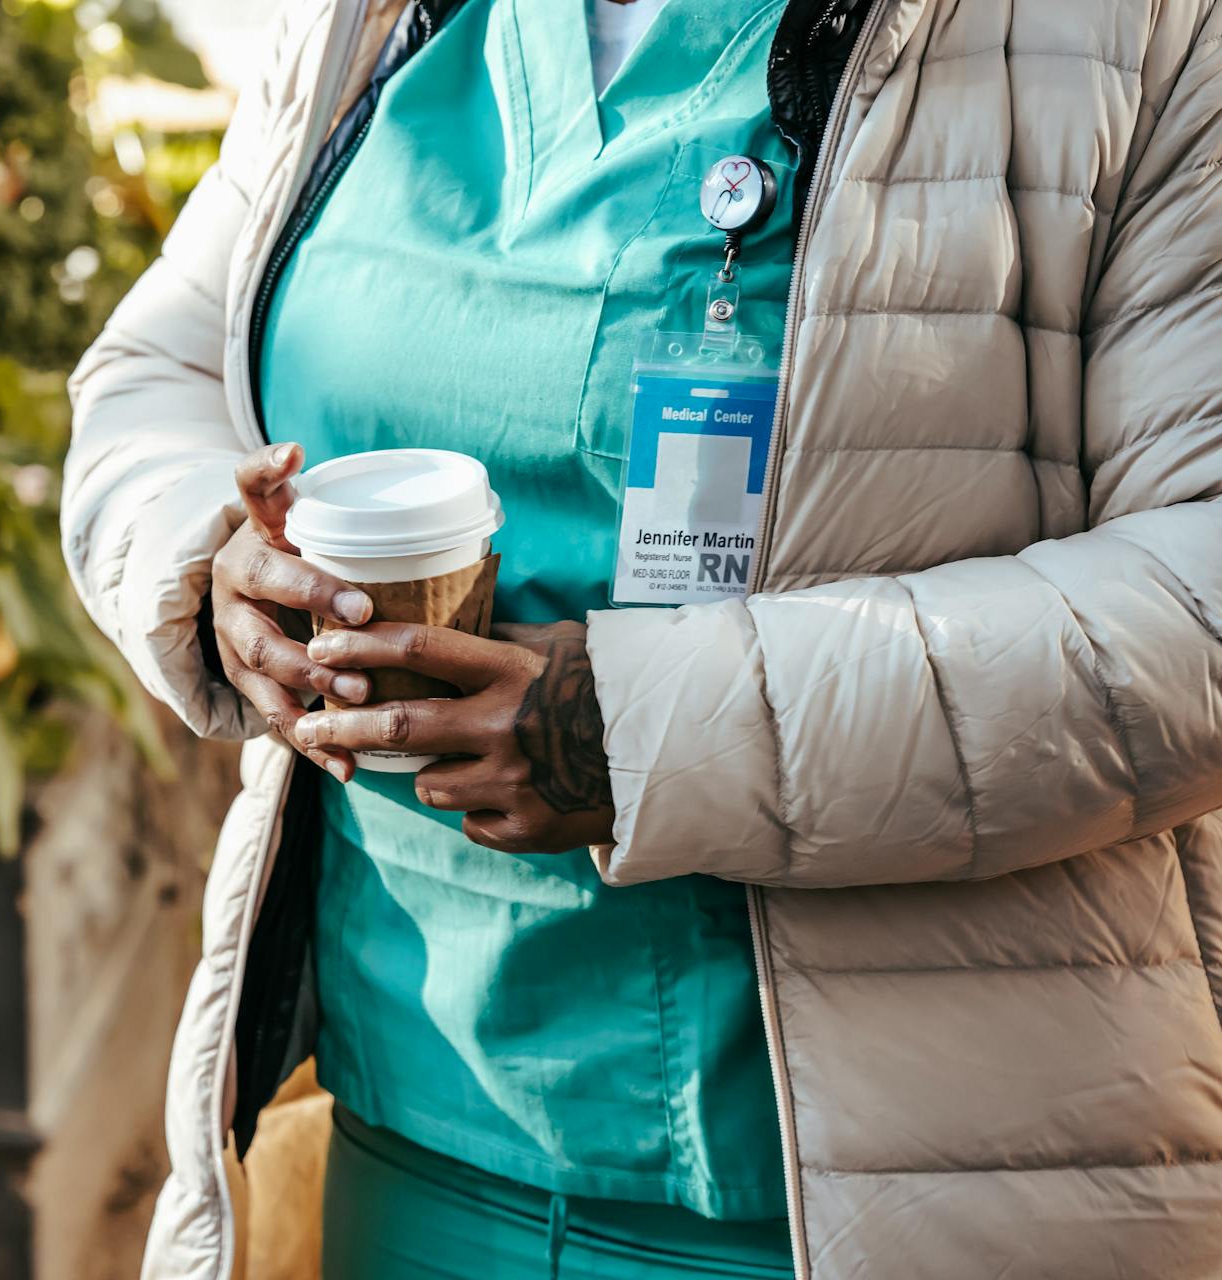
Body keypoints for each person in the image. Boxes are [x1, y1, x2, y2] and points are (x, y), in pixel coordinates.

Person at [61, 0, 1222, 1275]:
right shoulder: (369, 19)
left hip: (886, 1196)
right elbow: (155, 377)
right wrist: (212, 560)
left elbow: (1200, 599)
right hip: (412, 1142)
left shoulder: (1140, 33)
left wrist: (641, 729)